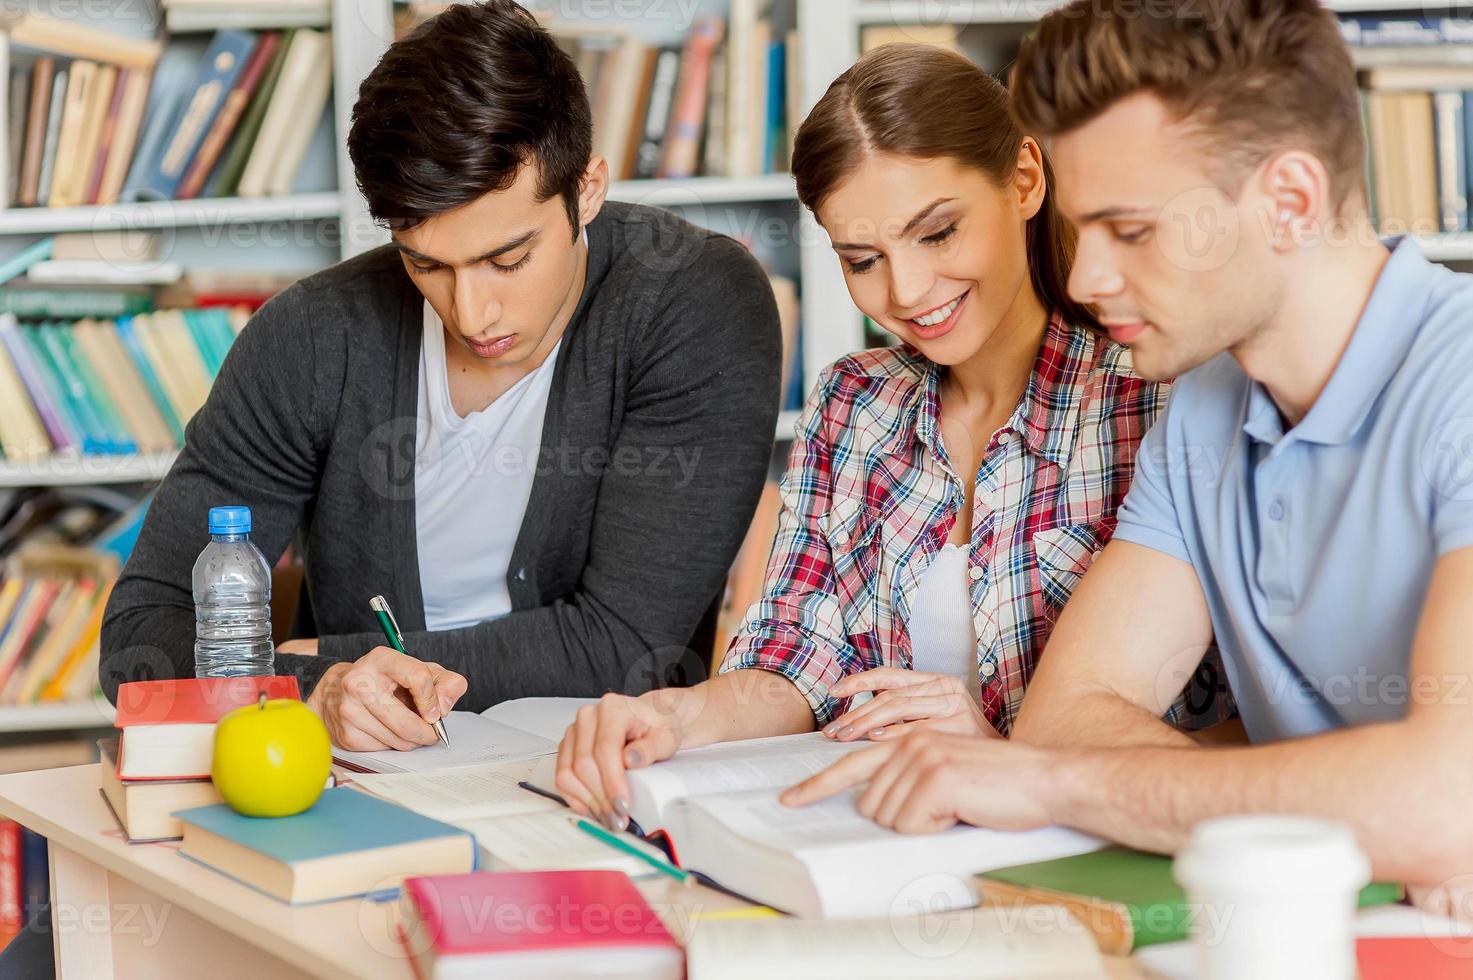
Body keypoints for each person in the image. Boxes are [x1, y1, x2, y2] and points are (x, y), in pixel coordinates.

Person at [782, 0, 1473, 905]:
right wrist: (1369, 807)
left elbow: (1441, 805)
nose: (1081, 278)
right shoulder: (1201, 410)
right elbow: (1064, 722)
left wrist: (1057, 785)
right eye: (1084, 226)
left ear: (1290, 202)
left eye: (1132, 231)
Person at [556, 44, 1226, 829]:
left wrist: (1007, 756)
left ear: (1024, 181)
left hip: (1105, 844)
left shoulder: (1154, 401)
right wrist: (676, 718)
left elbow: (1237, 733)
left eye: (937, 234)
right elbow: (793, 658)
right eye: (863, 259)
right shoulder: (855, 401)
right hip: (886, 838)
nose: (904, 292)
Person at [98, 0, 782, 752]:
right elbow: (139, 644)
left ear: (586, 188)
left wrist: (320, 661)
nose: (472, 311)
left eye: (508, 258)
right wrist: (314, 691)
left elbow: (622, 648)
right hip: (359, 776)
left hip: (602, 772)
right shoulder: (311, 335)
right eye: (426, 263)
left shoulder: (692, 300)